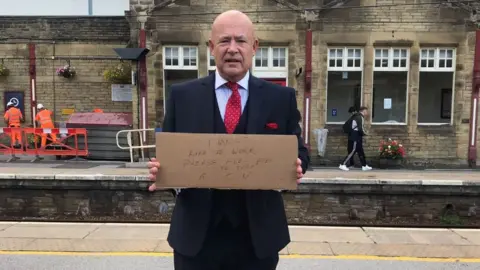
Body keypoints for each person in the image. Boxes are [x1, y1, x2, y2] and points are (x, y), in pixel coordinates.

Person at [147, 10, 309, 270]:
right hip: (195, 237)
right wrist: (162, 171)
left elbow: (299, 150)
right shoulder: (181, 96)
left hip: (258, 237)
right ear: (211, 47)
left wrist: (299, 164)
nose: (232, 49)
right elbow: (169, 156)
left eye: (240, 41)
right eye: (224, 41)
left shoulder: (281, 98)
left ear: (254, 47)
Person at [339, 106, 372, 171]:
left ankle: (364, 165)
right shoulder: (360, 117)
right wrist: (365, 133)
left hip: (355, 135)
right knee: (353, 150)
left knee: (360, 151)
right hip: (355, 135)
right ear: (363, 111)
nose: (367, 113)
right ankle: (342, 164)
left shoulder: (355, 116)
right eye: (366, 111)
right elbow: (360, 128)